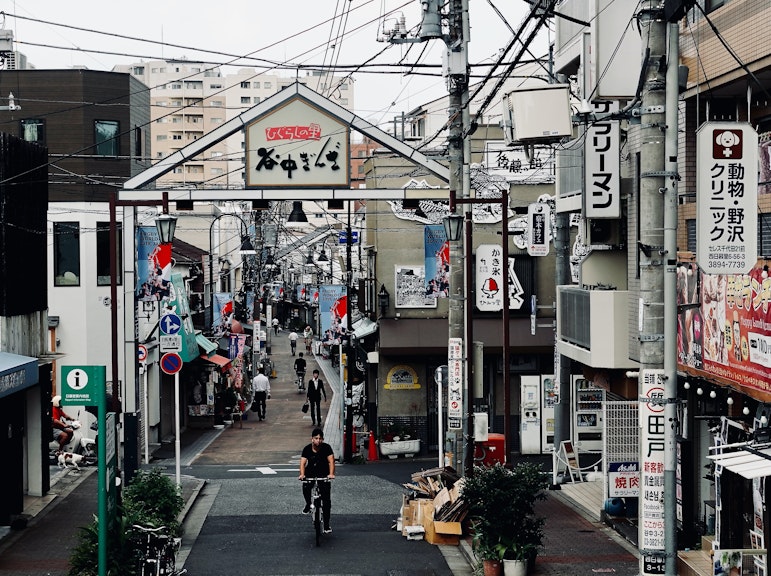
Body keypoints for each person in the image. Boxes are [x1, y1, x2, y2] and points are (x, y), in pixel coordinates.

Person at [299, 427, 335, 533]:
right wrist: (302, 474)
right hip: (310, 472)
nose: (318, 441)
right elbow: (302, 463)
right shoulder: (307, 449)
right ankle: (308, 504)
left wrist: (331, 474)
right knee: (306, 486)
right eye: (316, 438)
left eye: (320, 438)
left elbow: (331, 461)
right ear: (312, 439)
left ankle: (327, 525)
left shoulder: (327, 448)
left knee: (326, 501)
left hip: (324, 473)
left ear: (322, 439)